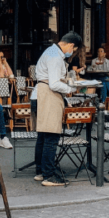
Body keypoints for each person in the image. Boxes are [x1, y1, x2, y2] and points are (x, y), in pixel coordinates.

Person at [31, 32, 82, 187]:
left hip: (39, 94)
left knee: (43, 136)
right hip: (48, 94)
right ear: (71, 45)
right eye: (74, 50)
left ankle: (41, 171)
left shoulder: (50, 51)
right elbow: (54, 84)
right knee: (51, 136)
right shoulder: (55, 56)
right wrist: (70, 88)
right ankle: (49, 175)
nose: (72, 53)